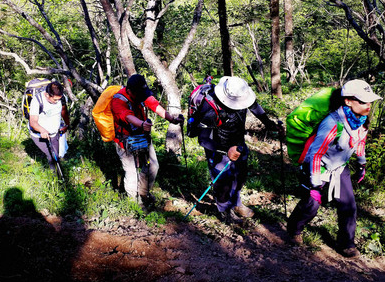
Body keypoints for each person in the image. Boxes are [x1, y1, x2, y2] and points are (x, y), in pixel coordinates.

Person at [285, 79, 381, 257]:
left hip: (339, 167)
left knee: (348, 205)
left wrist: (361, 163)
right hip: (318, 167)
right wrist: (315, 184)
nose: (368, 105)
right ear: (348, 101)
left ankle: (346, 243)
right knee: (311, 204)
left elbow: (359, 142)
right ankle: (294, 230)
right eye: (363, 101)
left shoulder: (361, 120)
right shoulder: (333, 122)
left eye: (370, 101)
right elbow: (315, 154)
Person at [189, 76, 283, 222]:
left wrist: (269, 124)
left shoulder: (241, 94)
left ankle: (236, 203)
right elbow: (203, 139)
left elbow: (254, 107)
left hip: (238, 142)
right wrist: (226, 150)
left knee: (240, 175)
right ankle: (225, 211)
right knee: (223, 182)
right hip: (217, 147)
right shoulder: (210, 109)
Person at [111, 74, 184, 208]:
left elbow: (155, 106)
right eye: (138, 94)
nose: (141, 97)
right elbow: (127, 116)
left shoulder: (141, 93)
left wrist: (172, 119)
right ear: (130, 91)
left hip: (142, 137)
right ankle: (134, 203)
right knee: (132, 172)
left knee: (153, 166)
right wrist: (141, 124)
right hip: (125, 140)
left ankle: (144, 194)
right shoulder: (118, 100)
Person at [28, 81, 70, 170]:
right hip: (39, 134)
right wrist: (42, 130)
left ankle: (58, 174)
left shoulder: (61, 98)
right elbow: (33, 122)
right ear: (47, 95)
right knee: (52, 156)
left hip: (54, 133)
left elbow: (64, 111)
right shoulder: (37, 101)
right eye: (55, 100)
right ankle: (54, 176)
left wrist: (67, 124)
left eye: (59, 99)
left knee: (57, 156)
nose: (57, 101)